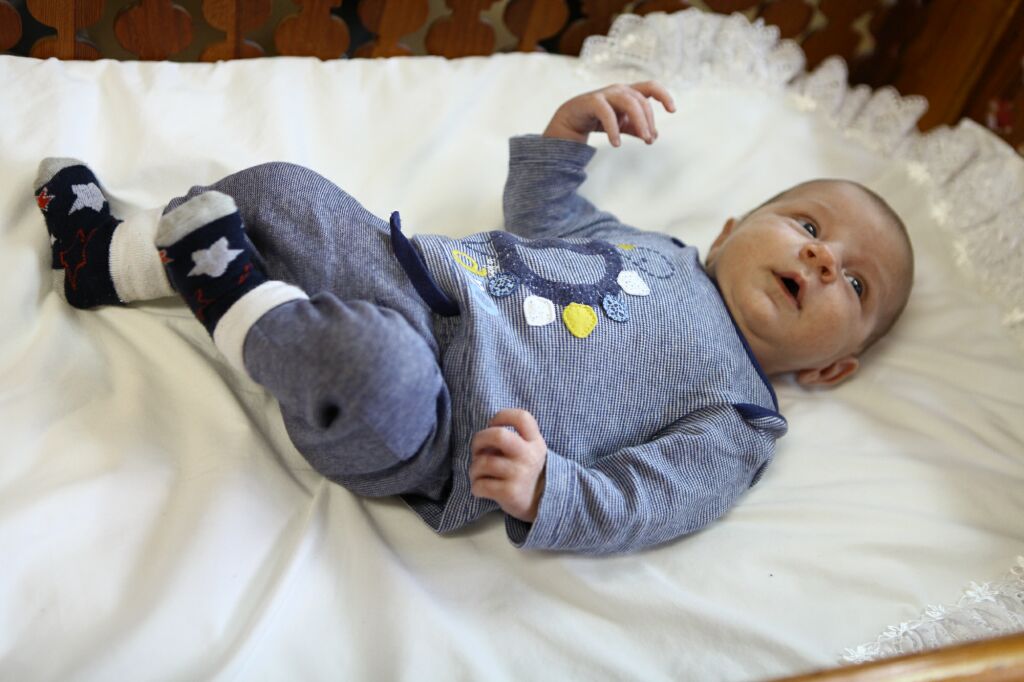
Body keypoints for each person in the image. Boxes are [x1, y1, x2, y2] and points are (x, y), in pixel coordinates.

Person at [34, 82, 914, 555]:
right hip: (406, 273)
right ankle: (105, 261)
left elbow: (651, 499)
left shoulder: (741, 417)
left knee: (372, 366)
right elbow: (544, 218)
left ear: (833, 367)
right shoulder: (655, 250)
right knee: (280, 188)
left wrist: (547, 489)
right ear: (728, 231)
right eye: (807, 226)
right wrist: (563, 138)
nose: (822, 260)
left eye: (856, 284)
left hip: (439, 423)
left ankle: (228, 294)